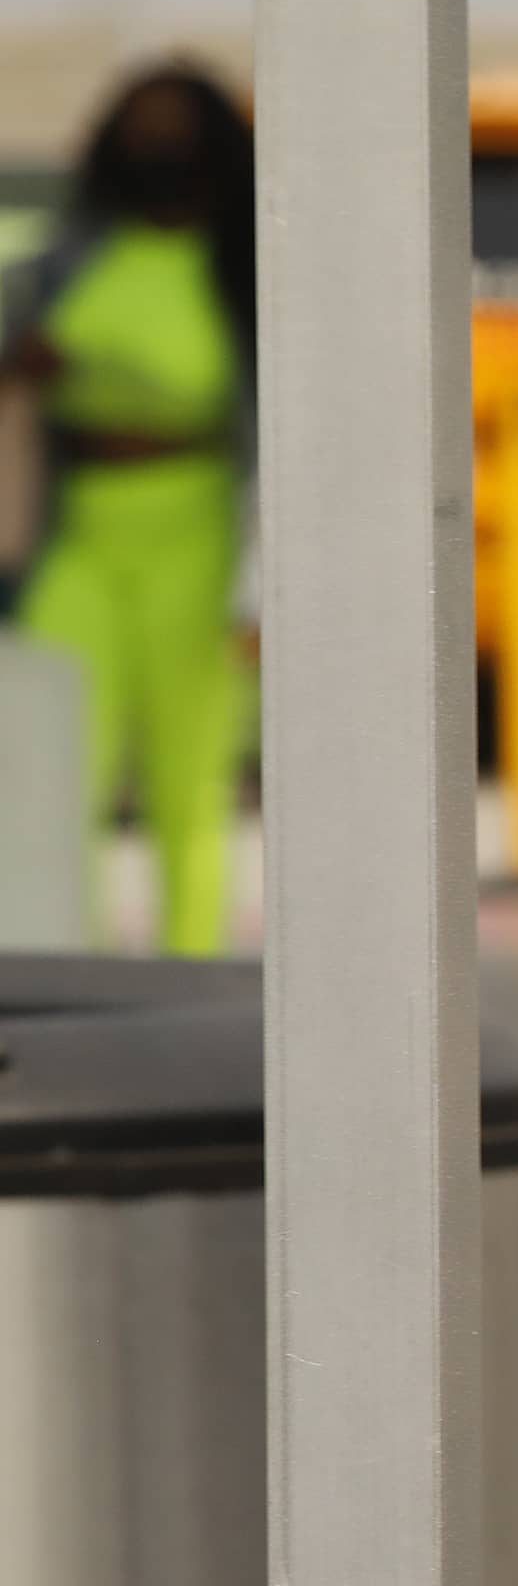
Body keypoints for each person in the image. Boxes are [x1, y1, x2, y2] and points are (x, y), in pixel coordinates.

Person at [0, 62, 258, 956]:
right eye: (142, 128)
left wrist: (259, 588)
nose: (160, 149)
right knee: (58, 768)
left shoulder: (241, 264)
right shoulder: (75, 252)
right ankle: (69, 968)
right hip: (78, 529)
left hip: (200, 531)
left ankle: (193, 974)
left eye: (175, 130)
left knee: (189, 782)